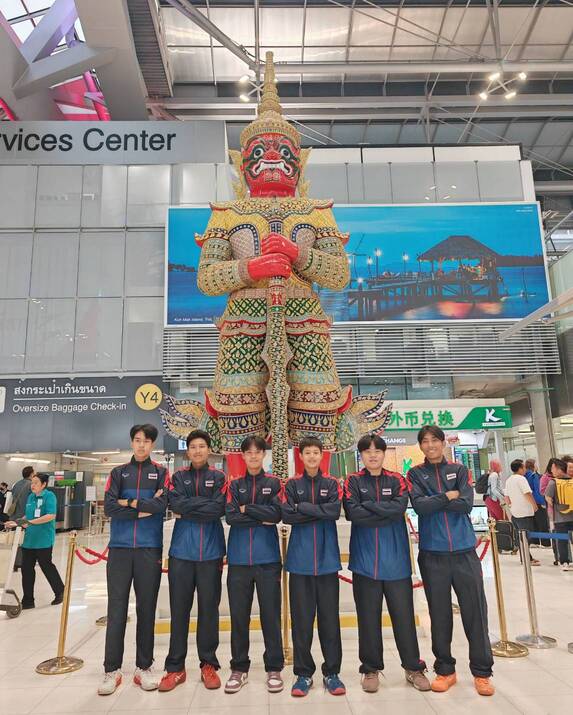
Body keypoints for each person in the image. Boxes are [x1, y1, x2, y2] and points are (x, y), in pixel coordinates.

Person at [408, 425, 494, 697]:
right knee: (439, 614)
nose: (430, 445)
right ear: (421, 446)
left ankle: (482, 672)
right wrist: (448, 495)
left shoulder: (459, 470)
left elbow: (465, 504)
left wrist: (436, 499)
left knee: (475, 612)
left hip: (464, 551)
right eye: (425, 441)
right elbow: (420, 507)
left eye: (435, 440)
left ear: (443, 442)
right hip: (432, 553)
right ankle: (445, 670)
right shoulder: (415, 474)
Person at [345, 434, 430, 694]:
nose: (372, 455)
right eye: (367, 451)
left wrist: (369, 506)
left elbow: (398, 509)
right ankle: (370, 669)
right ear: (361, 455)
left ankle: (413, 667)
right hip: (364, 562)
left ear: (383, 453)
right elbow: (353, 513)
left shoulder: (397, 480)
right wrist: (383, 509)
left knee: (404, 618)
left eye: (377, 451)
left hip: (396, 562)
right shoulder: (353, 481)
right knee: (368, 619)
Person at [98, 424, 169, 696]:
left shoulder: (161, 473)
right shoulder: (118, 473)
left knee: (147, 609)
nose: (141, 445)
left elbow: (161, 506)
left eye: (147, 441)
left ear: (152, 445)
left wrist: (127, 502)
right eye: (137, 440)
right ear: (131, 442)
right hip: (120, 548)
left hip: (149, 549)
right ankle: (111, 669)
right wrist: (139, 507)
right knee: (116, 610)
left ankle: (144, 666)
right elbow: (110, 507)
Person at [159, 430, 226, 692]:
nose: (197, 450)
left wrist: (188, 508)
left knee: (209, 610)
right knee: (179, 611)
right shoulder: (178, 477)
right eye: (193, 447)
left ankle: (208, 664)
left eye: (202, 446)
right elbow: (175, 505)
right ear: (188, 451)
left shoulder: (219, 477)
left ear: (208, 450)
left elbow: (218, 509)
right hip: (181, 553)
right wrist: (199, 506)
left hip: (211, 552)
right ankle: (175, 667)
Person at [281, 436, 345, 698]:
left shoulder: (332, 483)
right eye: (306, 452)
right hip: (300, 563)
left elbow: (334, 512)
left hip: (327, 561)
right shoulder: (292, 484)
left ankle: (332, 673)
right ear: (300, 456)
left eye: (315, 452)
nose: (311, 456)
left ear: (321, 455)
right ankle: (303, 674)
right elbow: (287, 515)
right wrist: (317, 511)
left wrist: (303, 508)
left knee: (330, 621)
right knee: (302, 622)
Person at [224, 436, 283, 694]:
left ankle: (274, 667)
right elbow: (231, 517)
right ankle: (239, 668)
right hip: (238, 560)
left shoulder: (274, 483)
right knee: (239, 617)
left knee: (271, 616)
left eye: (258, 452)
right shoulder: (234, 485)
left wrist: (246, 508)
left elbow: (277, 514)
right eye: (248, 452)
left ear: (263, 455)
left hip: (268, 560)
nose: (253, 456)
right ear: (243, 456)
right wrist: (260, 515)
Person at [5, 473, 64, 609]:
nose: (33, 485)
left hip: (44, 539)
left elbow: (50, 515)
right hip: (29, 539)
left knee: (46, 566)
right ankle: (28, 600)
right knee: (26, 569)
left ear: (44, 484)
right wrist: (17, 522)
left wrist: (30, 522)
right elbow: (28, 515)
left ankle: (60, 591)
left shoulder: (49, 496)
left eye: (36, 483)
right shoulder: (31, 497)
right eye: (32, 482)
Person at [504, 459, 540, 566]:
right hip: (524, 512)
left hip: (515, 513)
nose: (525, 469)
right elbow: (527, 493)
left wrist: (511, 507)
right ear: (520, 468)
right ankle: (527, 559)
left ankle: (525, 557)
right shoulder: (521, 479)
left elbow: (506, 497)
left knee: (520, 537)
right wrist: (534, 505)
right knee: (525, 537)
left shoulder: (509, 480)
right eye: (523, 467)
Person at [544, 458, 573, 571]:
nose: (552, 471)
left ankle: (565, 562)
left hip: (560, 517)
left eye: (553, 468)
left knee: (562, 541)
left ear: (559, 468)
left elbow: (548, 498)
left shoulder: (553, 482)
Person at [524, 459, 550, 547]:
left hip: (528, 503)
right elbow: (537, 490)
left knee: (533, 523)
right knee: (542, 523)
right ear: (533, 465)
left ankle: (534, 542)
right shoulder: (534, 476)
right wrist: (542, 502)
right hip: (538, 503)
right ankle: (545, 543)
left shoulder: (524, 476)